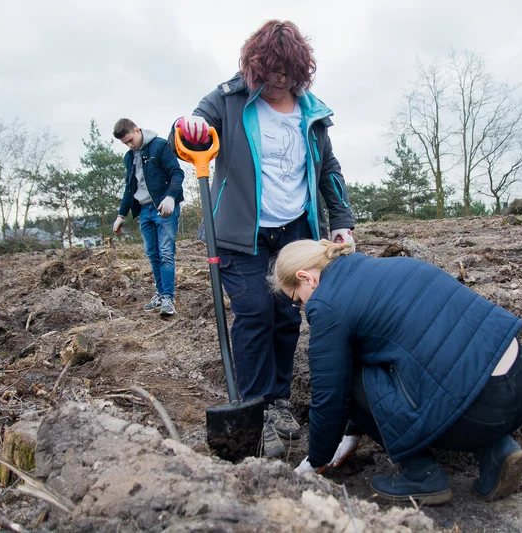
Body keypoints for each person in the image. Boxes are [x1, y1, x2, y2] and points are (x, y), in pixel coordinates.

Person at [170, 20, 355, 457]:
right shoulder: (228, 98)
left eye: (287, 73)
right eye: (270, 71)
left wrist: (340, 217)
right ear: (256, 66)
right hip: (240, 231)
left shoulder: (313, 113)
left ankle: (279, 401)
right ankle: (255, 407)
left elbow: (329, 169)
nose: (278, 80)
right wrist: (188, 129)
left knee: (288, 315)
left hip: (295, 229)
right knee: (255, 312)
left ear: (299, 71)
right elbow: (191, 131)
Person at [272, 239, 522, 505]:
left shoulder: (327, 303)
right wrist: (353, 431)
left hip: (479, 407)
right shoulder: (381, 267)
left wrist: (316, 460)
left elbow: (331, 395)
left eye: (297, 300)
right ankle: (497, 448)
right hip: (519, 388)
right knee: (445, 363)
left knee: (347, 374)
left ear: (305, 278)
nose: (302, 307)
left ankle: (420, 473)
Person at [113, 118, 185, 317]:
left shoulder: (160, 146)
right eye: (125, 144)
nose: (129, 145)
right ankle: (161, 294)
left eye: (130, 140)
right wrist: (121, 214)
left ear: (137, 130)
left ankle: (168, 299)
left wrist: (171, 197)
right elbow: (130, 188)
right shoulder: (129, 157)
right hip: (144, 210)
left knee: (165, 253)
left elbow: (177, 173)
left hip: (164, 208)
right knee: (152, 254)